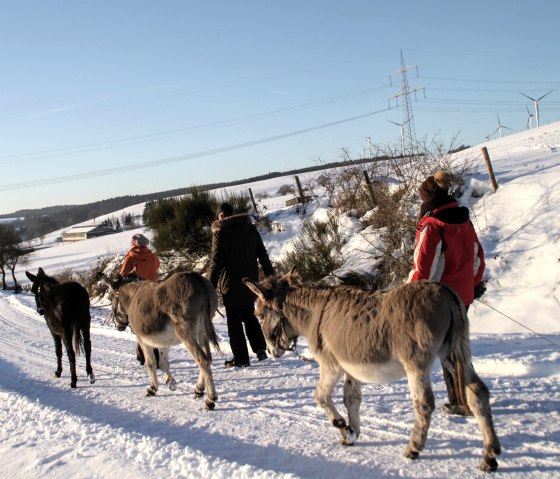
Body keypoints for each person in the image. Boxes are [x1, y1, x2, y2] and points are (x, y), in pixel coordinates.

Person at [406, 170, 486, 416]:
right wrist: (472, 284)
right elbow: (477, 257)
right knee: (457, 347)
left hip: (440, 298)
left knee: (448, 351)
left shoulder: (432, 226)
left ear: (427, 199)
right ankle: (461, 398)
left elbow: (423, 268)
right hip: (463, 295)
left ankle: (467, 400)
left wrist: (408, 296)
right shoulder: (464, 220)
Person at [208, 202, 275, 368]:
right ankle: (260, 350)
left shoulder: (220, 233)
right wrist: (272, 279)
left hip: (230, 286)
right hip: (251, 283)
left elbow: (216, 262)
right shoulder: (250, 229)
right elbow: (263, 255)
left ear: (220, 217)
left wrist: (209, 288)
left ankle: (241, 359)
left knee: (234, 322)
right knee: (249, 315)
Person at [119, 233, 160, 366]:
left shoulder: (131, 256)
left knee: (138, 323)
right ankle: (153, 354)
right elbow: (157, 267)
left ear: (134, 243)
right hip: (154, 290)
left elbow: (123, 274)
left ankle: (122, 321)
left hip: (138, 292)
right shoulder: (153, 256)